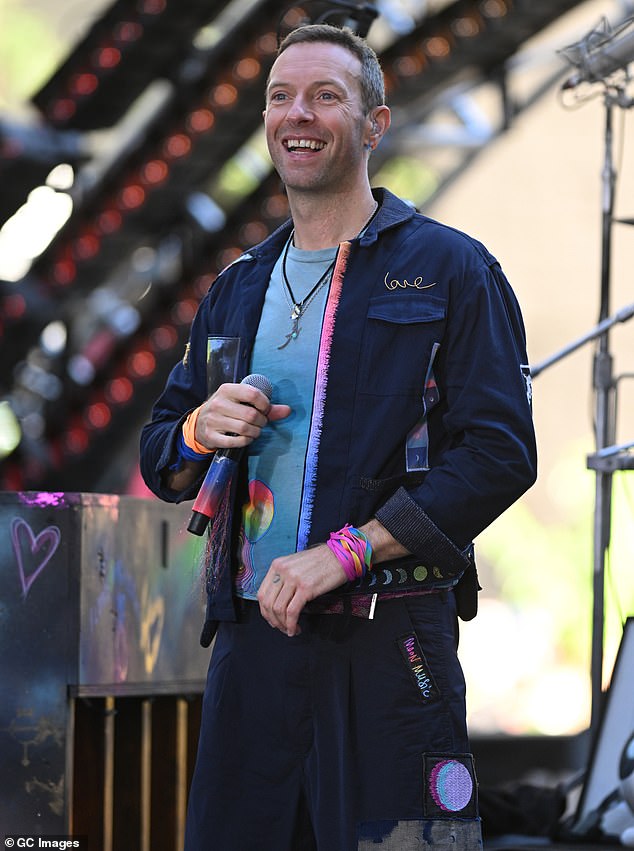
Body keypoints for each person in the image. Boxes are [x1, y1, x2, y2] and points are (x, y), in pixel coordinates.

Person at [140, 22, 537, 851]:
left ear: (374, 123)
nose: (299, 114)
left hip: (391, 645)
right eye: (281, 97)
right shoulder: (236, 289)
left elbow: (501, 454)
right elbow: (160, 457)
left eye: (326, 95)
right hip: (250, 647)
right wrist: (195, 428)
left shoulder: (454, 269)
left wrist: (350, 549)